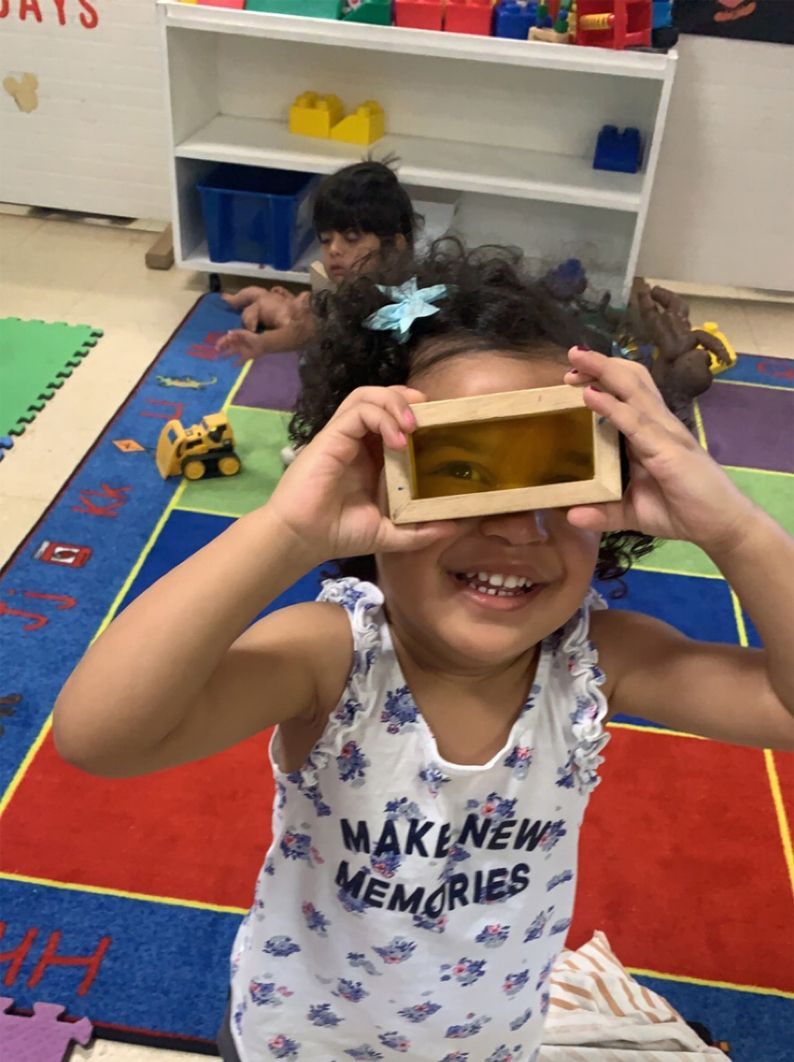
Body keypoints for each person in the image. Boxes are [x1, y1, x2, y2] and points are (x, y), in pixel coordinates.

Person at [53, 243, 794, 1062]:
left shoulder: (595, 662)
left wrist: (733, 526)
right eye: (464, 470)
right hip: (296, 1048)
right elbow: (100, 736)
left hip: (487, 1047)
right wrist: (289, 531)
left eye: (556, 474)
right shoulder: (333, 656)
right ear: (375, 484)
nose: (518, 528)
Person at [216, 159, 418, 362]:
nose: (334, 249)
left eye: (351, 238)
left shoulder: (409, 311)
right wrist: (263, 343)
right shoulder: (344, 294)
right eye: (326, 239)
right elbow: (309, 330)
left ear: (393, 247)